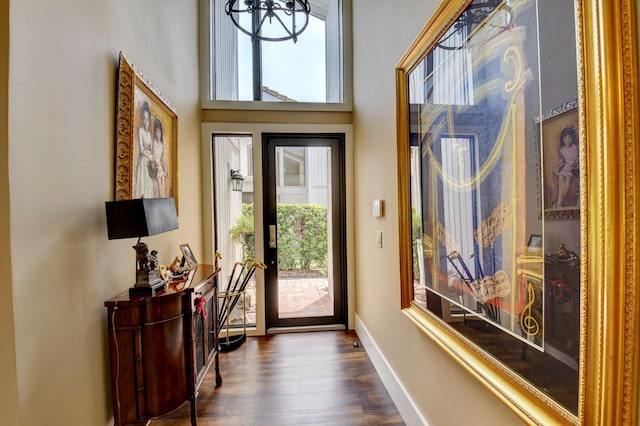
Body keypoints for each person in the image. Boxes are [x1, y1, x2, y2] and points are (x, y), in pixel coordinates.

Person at [552, 126, 578, 208]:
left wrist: (577, 164)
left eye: (569, 137)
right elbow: (562, 160)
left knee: (568, 178)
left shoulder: (575, 147)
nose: (567, 140)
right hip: (565, 168)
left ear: (572, 138)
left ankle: (560, 201)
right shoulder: (562, 149)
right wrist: (556, 167)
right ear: (563, 139)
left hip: (572, 169)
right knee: (560, 176)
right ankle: (560, 201)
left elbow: (578, 159)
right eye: (565, 138)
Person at [134, 101, 155, 198]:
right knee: (143, 188)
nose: (146, 121)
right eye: (144, 119)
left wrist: (151, 156)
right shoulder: (140, 131)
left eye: (147, 119)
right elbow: (142, 149)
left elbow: (151, 148)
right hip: (143, 162)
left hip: (149, 164)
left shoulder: (150, 134)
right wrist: (150, 156)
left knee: (149, 188)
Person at [151, 118, 168, 197]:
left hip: (161, 168)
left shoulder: (161, 144)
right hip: (155, 169)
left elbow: (162, 158)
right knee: (159, 188)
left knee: (163, 184)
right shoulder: (153, 143)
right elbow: (152, 157)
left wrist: (165, 168)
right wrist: (154, 163)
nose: (158, 134)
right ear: (155, 132)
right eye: (156, 131)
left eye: (159, 131)